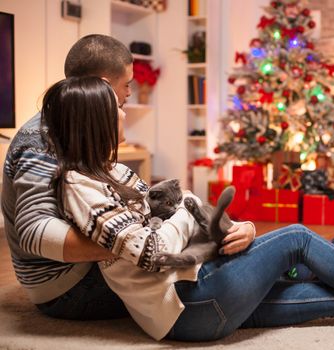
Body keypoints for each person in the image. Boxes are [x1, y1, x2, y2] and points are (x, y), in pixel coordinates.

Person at [39, 75, 334, 341]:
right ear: (94, 120)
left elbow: (181, 224)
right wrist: (185, 208)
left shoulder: (112, 173)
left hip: (197, 297)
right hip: (187, 306)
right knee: (297, 239)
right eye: (116, 106)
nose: (126, 109)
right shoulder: (82, 186)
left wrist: (232, 225)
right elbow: (150, 251)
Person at [0, 34, 257, 321]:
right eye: (127, 84)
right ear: (104, 87)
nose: (130, 94)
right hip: (66, 287)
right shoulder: (41, 137)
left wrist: (226, 224)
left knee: (222, 256)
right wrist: (134, 244)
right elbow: (34, 232)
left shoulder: (75, 128)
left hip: (89, 268)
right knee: (219, 276)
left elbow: (136, 205)